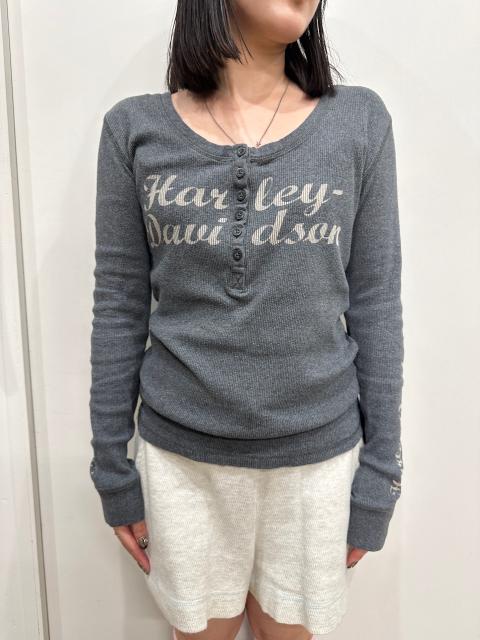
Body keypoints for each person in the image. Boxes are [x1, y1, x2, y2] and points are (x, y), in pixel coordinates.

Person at [88, 0, 405, 638]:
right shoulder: (133, 129)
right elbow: (119, 305)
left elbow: (376, 302)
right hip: (183, 466)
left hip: (316, 466)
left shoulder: (359, 122)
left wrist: (381, 475)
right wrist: (111, 468)